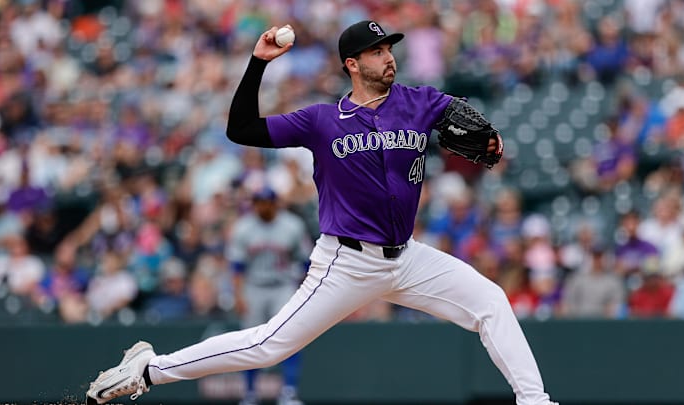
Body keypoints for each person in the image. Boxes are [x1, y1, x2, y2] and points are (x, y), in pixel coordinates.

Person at [86, 21, 557, 405]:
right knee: (268, 346)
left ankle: (534, 402)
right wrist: (257, 64)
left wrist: (490, 138)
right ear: (352, 64)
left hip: (407, 257)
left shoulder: (419, 101)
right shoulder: (321, 121)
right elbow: (242, 128)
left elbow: (466, 118)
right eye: (375, 51)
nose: (388, 56)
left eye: (389, 47)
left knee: (491, 301)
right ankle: (150, 369)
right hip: (347, 262)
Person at [227, 186, 311, 405]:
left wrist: (304, 289)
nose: (263, 206)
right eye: (259, 202)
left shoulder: (292, 225)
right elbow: (237, 267)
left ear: (275, 203)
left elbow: (306, 261)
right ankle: (250, 393)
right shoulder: (244, 227)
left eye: (266, 202)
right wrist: (238, 295)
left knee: (290, 335)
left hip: (282, 285)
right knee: (250, 340)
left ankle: (289, 392)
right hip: (253, 286)